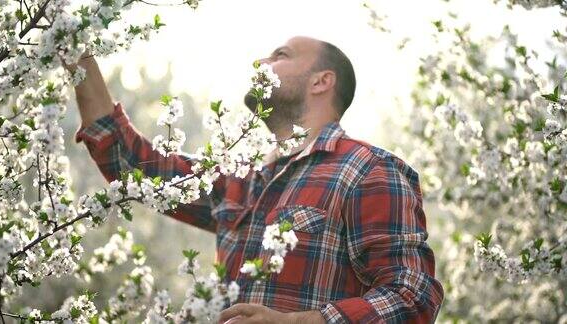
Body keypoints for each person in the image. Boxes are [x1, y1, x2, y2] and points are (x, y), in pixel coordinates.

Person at [73, 36, 444, 323]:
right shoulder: (240, 179)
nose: (261, 62)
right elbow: (131, 165)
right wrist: (74, 45)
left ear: (321, 81)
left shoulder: (368, 169)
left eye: (280, 55)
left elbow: (413, 298)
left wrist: (298, 322)